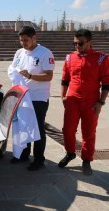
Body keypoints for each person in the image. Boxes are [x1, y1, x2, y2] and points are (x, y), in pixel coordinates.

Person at [58, 29, 109, 175]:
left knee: (88, 132)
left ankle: (86, 160)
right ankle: (70, 153)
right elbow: (65, 79)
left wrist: (101, 102)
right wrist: (63, 97)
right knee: (67, 129)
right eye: (74, 43)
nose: (77, 46)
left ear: (90, 42)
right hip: (72, 99)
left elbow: (106, 83)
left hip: (91, 102)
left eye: (80, 43)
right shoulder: (69, 58)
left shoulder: (101, 59)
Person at [8, 26, 55, 171]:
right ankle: (24, 154)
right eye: (21, 40)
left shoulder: (44, 53)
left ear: (34, 37)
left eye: (26, 40)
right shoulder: (19, 53)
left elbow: (49, 75)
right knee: (24, 125)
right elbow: (14, 68)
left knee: (38, 128)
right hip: (22, 96)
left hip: (38, 98)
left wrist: (30, 76)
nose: (23, 43)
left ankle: (39, 159)